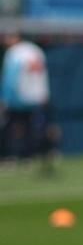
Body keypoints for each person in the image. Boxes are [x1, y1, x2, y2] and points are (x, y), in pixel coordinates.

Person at [1, 32, 50, 165]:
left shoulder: (14, 52)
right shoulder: (36, 50)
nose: (5, 40)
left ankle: (9, 156)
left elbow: (10, 78)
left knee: (10, 126)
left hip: (17, 97)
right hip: (34, 97)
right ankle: (28, 156)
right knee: (30, 127)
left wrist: (5, 98)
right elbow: (43, 76)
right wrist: (44, 93)